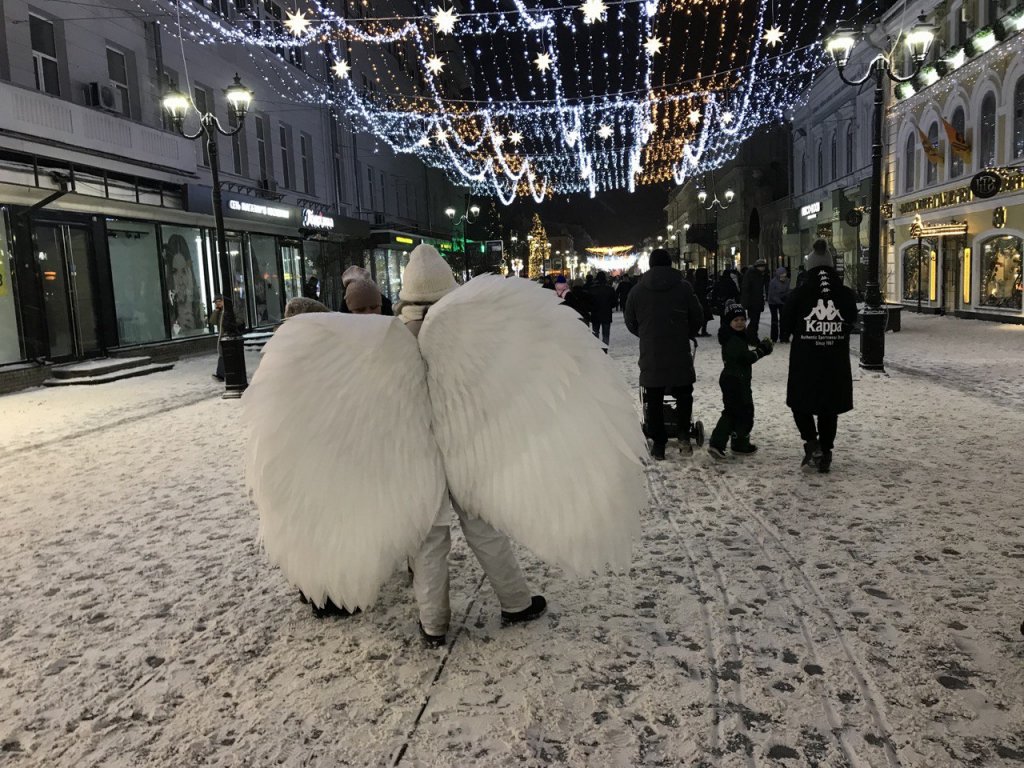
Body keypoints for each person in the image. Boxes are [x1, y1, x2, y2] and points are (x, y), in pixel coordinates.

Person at [396, 245, 546, 647]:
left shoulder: (393, 338)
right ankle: (515, 602)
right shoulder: (469, 331)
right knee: (484, 526)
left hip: (416, 452)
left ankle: (434, 625)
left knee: (427, 539)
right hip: (466, 443)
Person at [780, 239, 858, 474]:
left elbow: (786, 325)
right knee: (829, 407)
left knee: (799, 402)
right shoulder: (845, 294)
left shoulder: (799, 293)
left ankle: (811, 443)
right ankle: (826, 449)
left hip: (806, 359)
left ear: (809, 267)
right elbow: (851, 320)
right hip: (834, 360)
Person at [624, 249, 704, 459]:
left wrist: (645, 334)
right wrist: (686, 332)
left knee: (655, 398)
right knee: (684, 394)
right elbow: (697, 316)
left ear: (650, 265)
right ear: (670, 264)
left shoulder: (638, 290)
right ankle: (683, 435)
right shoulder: (684, 287)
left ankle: (659, 443)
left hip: (651, 352)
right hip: (678, 351)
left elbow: (630, 320)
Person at [707, 304, 773, 460]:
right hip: (734, 381)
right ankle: (719, 443)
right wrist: (762, 350)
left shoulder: (736, 336)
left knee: (742, 411)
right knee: (737, 412)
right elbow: (746, 358)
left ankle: (739, 443)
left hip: (737, 379)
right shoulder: (732, 339)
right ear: (728, 322)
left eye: (743, 319)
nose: (740, 323)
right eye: (736, 320)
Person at [165, 234, 203, 336]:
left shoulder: (195, 305)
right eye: (175, 272)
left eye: (184, 271)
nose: (180, 281)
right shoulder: (169, 307)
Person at [740, 258, 768, 344]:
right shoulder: (753, 274)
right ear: (759, 267)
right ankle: (752, 338)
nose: (764, 269)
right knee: (754, 321)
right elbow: (747, 289)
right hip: (753, 302)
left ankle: (751, 337)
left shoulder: (757, 274)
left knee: (754, 321)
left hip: (755, 301)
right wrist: (746, 303)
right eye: (763, 267)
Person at [588, 271, 617, 346]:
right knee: (606, 334)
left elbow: (589, 302)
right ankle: (605, 349)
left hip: (595, 314)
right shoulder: (610, 289)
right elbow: (614, 303)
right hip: (606, 314)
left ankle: (597, 349)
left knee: (595, 332)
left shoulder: (592, 289)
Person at [767, 267, 792, 343]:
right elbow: (772, 295)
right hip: (773, 302)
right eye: (781, 276)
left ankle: (783, 337)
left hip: (783, 301)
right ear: (778, 276)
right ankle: (773, 337)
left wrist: (786, 299)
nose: (783, 278)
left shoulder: (787, 281)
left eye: (784, 276)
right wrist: (780, 301)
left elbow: (788, 291)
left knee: (783, 319)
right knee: (774, 319)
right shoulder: (773, 282)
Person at [207, 295, 225, 381]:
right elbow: (212, 321)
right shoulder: (219, 312)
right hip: (222, 337)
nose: (218, 304)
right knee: (222, 355)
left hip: (227, 336)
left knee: (224, 356)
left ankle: (221, 374)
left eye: (219, 301)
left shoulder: (227, 311)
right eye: (216, 302)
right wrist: (216, 311)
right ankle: (221, 374)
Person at [693, 268, 712, 337]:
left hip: (698, 301)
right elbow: (703, 292)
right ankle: (703, 331)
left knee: (700, 317)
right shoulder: (704, 282)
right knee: (704, 317)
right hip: (703, 301)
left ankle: (697, 331)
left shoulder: (696, 282)